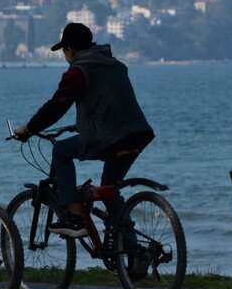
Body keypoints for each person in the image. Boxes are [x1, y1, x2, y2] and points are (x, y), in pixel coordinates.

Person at [13, 22, 154, 237]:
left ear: (71, 50)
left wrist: (30, 128)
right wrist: (82, 124)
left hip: (111, 137)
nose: (64, 55)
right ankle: (133, 252)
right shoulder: (114, 64)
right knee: (109, 189)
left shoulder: (78, 70)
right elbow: (108, 101)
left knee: (61, 151)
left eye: (64, 50)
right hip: (137, 134)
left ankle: (74, 216)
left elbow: (57, 105)